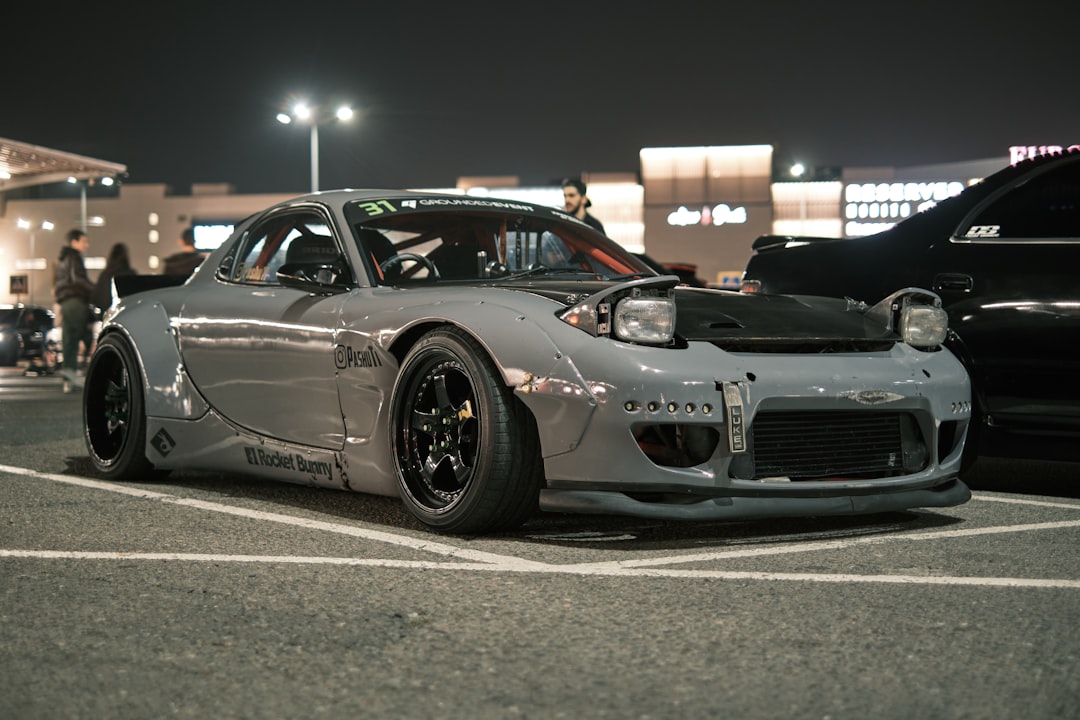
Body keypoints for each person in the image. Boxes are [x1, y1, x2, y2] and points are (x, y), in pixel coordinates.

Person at [54, 228, 95, 391]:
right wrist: (95, 289)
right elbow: (77, 279)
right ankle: (75, 373)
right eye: (84, 241)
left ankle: (69, 376)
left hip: (66, 301)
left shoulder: (64, 258)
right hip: (75, 301)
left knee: (70, 339)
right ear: (74, 242)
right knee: (82, 336)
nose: (87, 244)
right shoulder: (74, 257)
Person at [93, 242, 137, 314]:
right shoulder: (130, 274)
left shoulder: (105, 275)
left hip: (106, 314)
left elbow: (97, 297)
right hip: (125, 313)